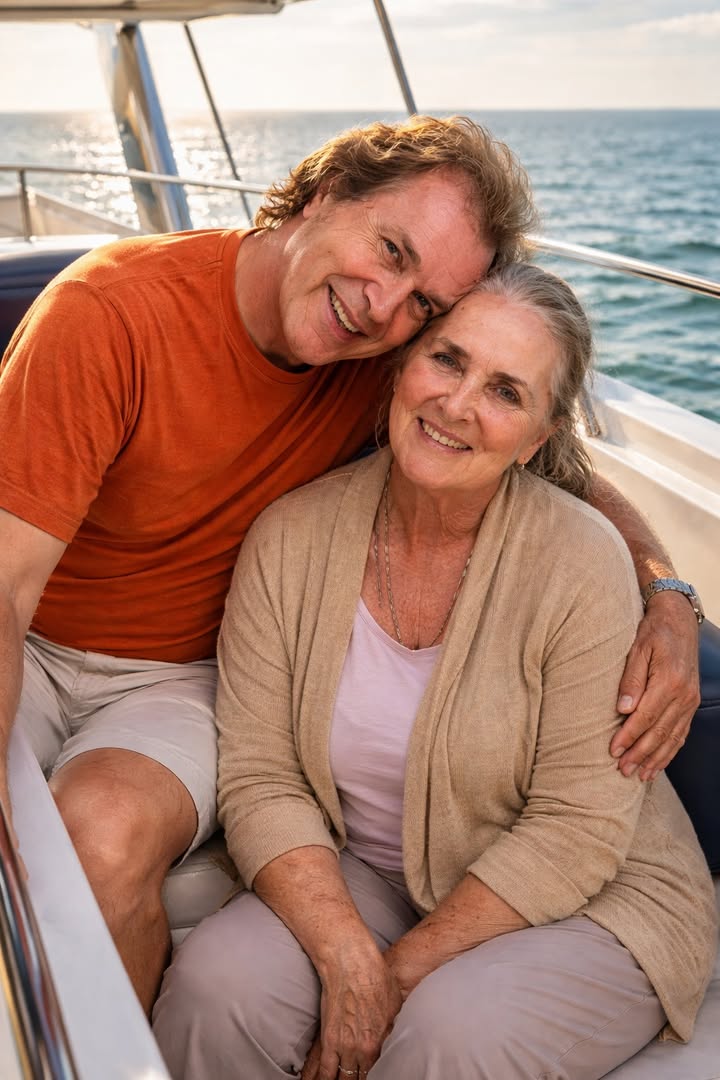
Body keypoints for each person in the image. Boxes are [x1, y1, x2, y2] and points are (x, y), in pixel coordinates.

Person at [0, 117, 701, 1012]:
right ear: (326, 193)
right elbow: (5, 586)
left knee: (98, 834)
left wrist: (666, 593)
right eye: (390, 250)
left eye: (424, 304)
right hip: (29, 631)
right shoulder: (111, 311)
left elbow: (557, 466)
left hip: (180, 674)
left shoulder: (388, 361)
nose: (381, 305)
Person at [152, 264, 716, 1080]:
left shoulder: (582, 562)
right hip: (371, 869)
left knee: (449, 1035)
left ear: (537, 438)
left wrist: (389, 980)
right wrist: (346, 955)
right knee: (217, 989)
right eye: (447, 360)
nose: (456, 404)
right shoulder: (289, 537)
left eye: (505, 392)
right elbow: (261, 774)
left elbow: (575, 829)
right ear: (402, 365)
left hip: (599, 890)